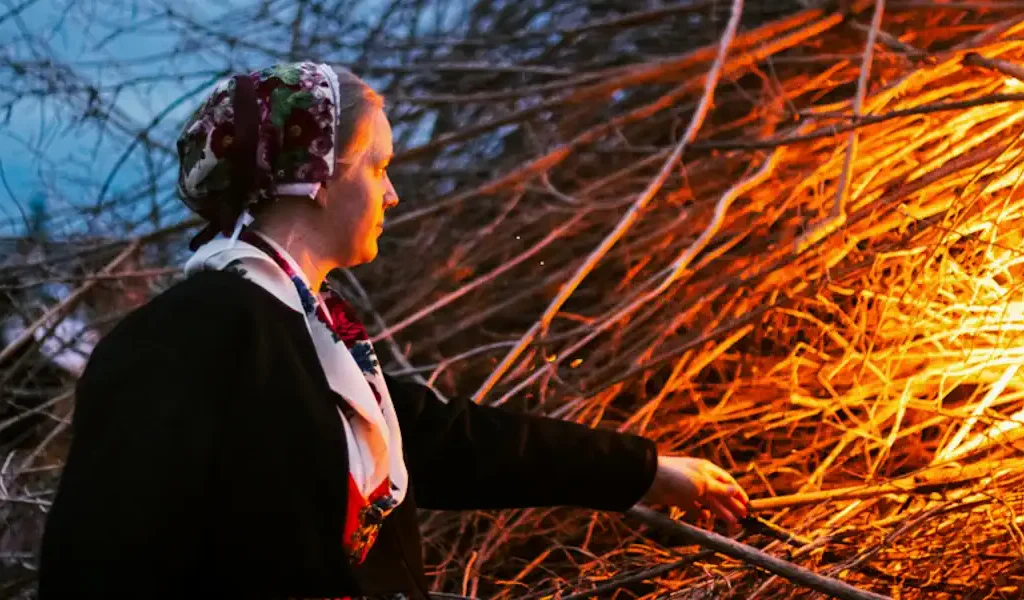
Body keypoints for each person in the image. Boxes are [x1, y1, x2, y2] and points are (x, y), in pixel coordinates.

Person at [37, 62, 749, 599]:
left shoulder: (318, 345)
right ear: (313, 175)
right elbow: (99, 562)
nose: (391, 191)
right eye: (377, 166)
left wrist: (645, 470)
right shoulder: (188, 336)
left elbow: (460, 443)